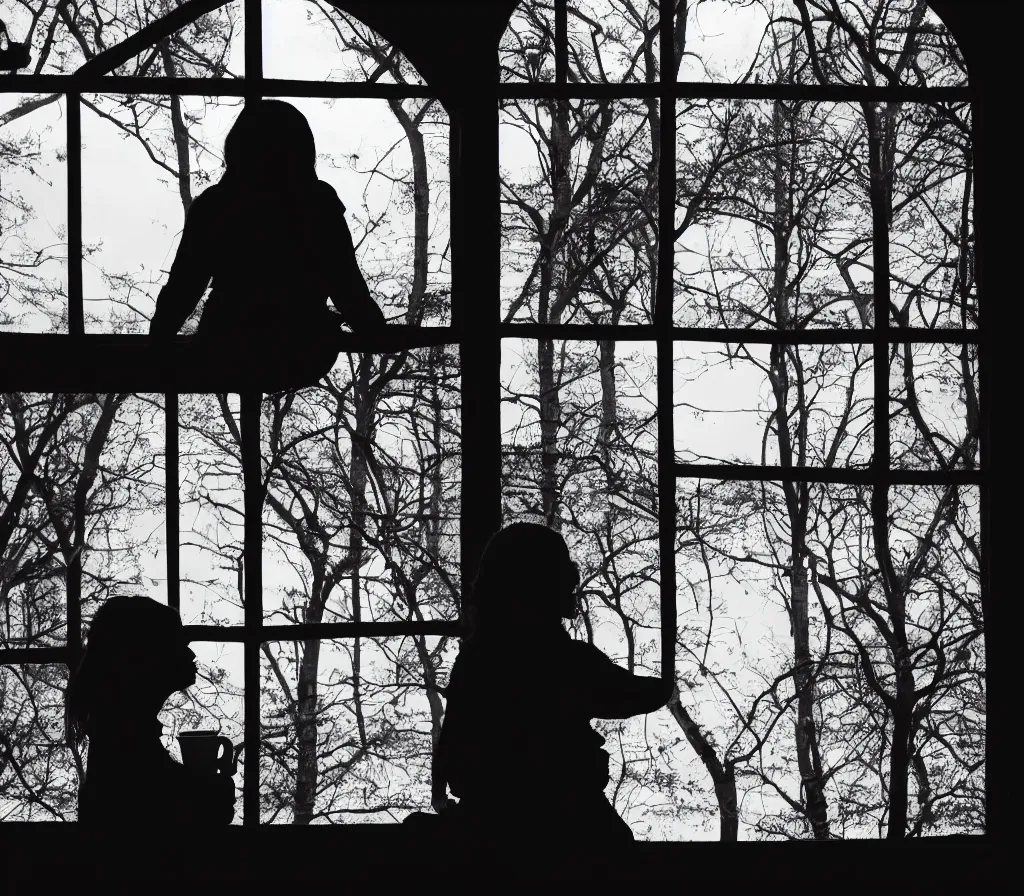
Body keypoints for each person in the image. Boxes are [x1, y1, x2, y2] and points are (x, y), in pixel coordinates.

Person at [430, 522, 674, 862]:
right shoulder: (565, 662)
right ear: (550, 588)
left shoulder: (474, 660)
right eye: (564, 580)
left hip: (484, 833)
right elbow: (642, 694)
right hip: (568, 831)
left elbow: (451, 759)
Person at [148, 99, 386, 386]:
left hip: (226, 346)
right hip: (304, 350)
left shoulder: (215, 205)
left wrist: (157, 343)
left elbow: (184, 288)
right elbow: (347, 286)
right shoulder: (318, 205)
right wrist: (375, 332)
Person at [68, 595, 236, 828]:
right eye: (177, 644)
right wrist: (210, 796)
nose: (191, 655)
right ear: (145, 655)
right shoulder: (124, 744)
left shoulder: (114, 734)